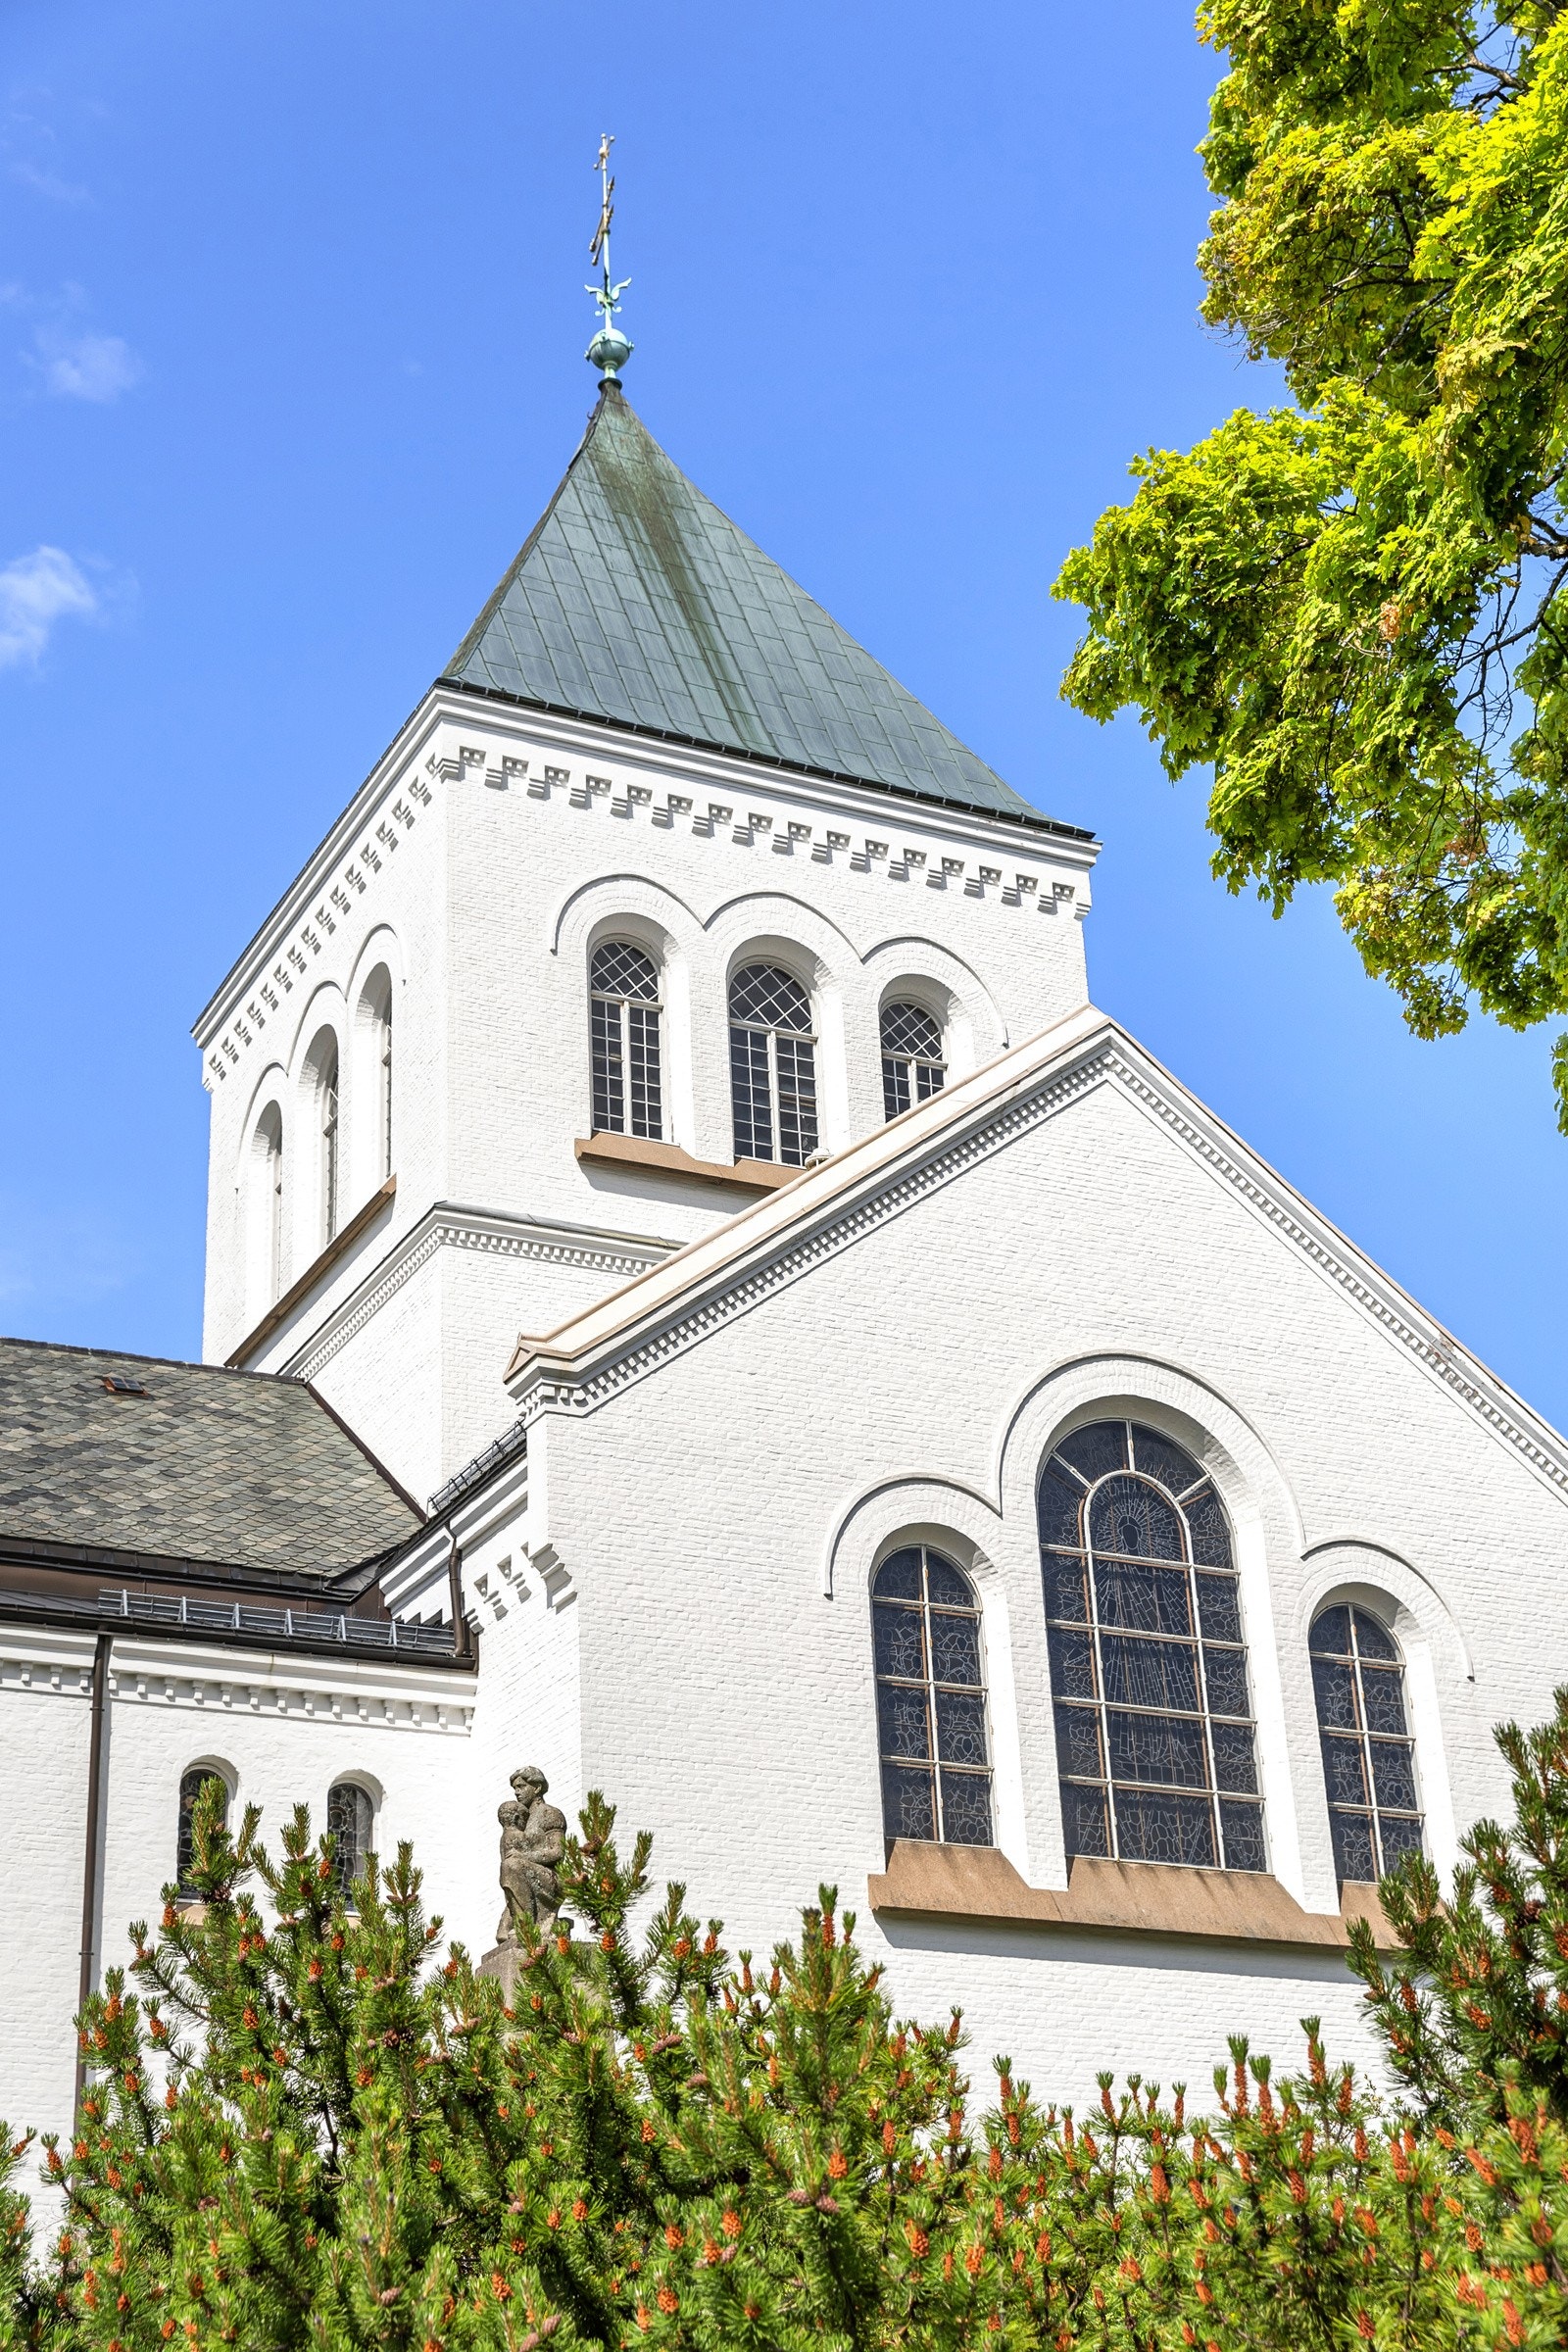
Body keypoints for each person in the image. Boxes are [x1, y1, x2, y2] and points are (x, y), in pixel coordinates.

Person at [496, 1764, 566, 1940]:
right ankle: (520, 1921)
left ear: (537, 1788)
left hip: (550, 1879)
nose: (517, 1792)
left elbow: (558, 1852)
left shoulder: (550, 1814)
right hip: (523, 1874)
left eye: (521, 1787)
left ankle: (526, 1926)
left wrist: (524, 1857)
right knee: (509, 1865)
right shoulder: (521, 1818)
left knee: (511, 1865)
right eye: (515, 1788)